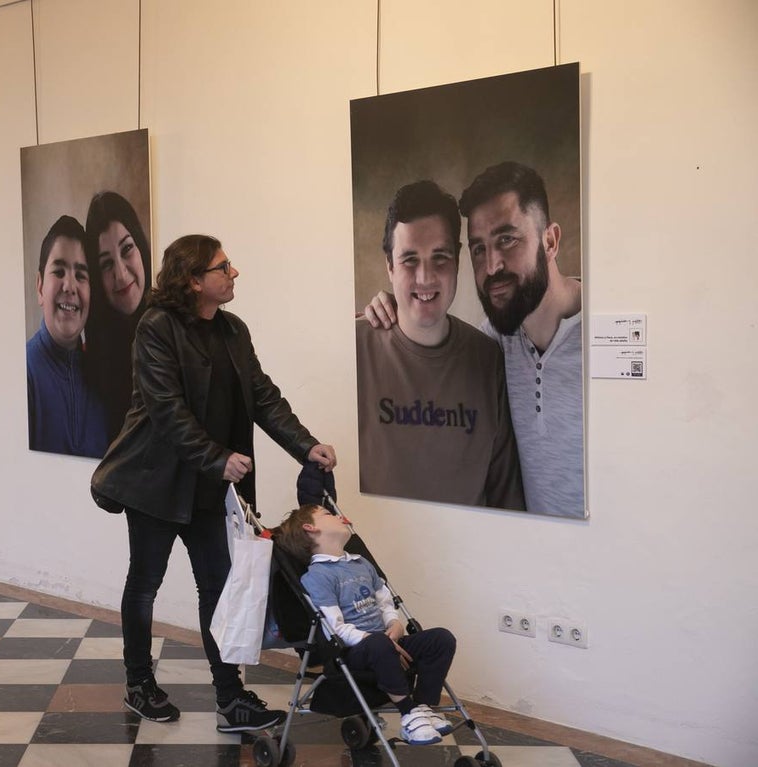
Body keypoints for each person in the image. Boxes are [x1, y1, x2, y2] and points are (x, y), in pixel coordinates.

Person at [90, 234, 338, 733]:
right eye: (223, 267)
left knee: (220, 589)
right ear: (192, 280)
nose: (234, 273)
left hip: (210, 488)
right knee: (145, 585)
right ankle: (139, 684)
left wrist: (305, 446)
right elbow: (167, 410)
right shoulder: (156, 327)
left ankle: (230, 699)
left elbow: (263, 397)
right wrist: (217, 457)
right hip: (156, 484)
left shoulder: (232, 330)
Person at [364, 163, 583, 517]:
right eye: (480, 249)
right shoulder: (495, 344)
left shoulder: (606, 338)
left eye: (507, 240)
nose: (493, 266)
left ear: (550, 241)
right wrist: (395, 307)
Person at [356, 180, 524, 510]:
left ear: (458, 260)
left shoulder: (487, 358)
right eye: (409, 259)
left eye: (440, 257)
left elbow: (505, 495)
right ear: (389, 266)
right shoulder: (355, 351)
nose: (425, 278)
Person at [274, 504, 457, 745]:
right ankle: (407, 711)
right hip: (354, 651)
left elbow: (384, 601)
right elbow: (335, 627)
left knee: (441, 638)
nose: (338, 516)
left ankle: (424, 707)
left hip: (387, 641)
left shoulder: (362, 563)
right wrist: (376, 640)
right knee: (378, 643)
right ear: (310, 528)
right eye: (328, 514)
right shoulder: (317, 576)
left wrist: (394, 623)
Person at [26, 215, 108, 457]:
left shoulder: (103, 373)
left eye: (81, 275)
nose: (70, 286)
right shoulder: (23, 372)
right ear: (40, 286)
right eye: (59, 271)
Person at [83, 191, 153, 438]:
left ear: (141, 246)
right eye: (106, 264)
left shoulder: (175, 327)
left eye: (127, 249)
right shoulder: (89, 358)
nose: (121, 275)